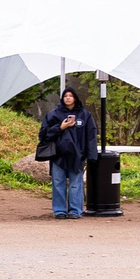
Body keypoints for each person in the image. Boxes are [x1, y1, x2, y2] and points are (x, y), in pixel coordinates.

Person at [40, 85, 96, 219]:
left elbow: (91, 136)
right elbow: (43, 135)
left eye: (71, 96)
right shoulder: (53, 115)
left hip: (77, 155)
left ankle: (75, 210)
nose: (68, 98)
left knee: (76, 184)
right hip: (58, 155)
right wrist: (60, 127)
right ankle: (59, 210)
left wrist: (91, 156)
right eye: (65, 96)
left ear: (75, 98)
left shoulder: (85, 115)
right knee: (58, 183)